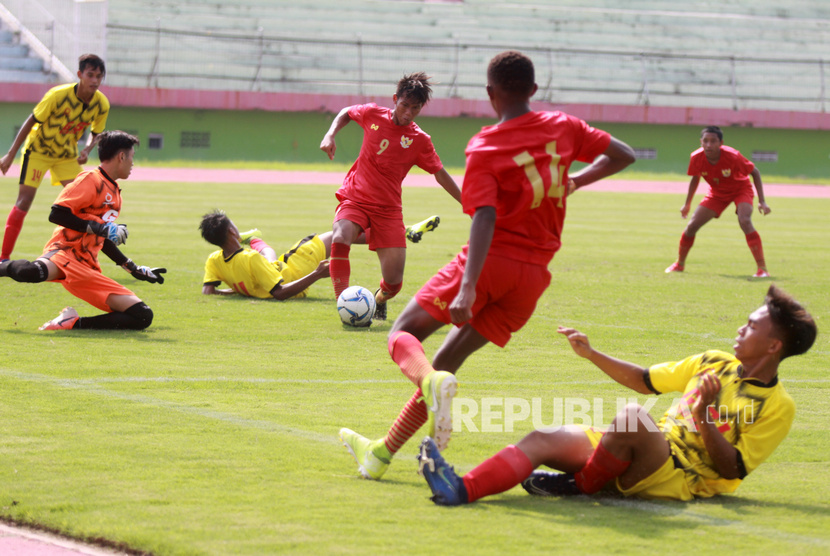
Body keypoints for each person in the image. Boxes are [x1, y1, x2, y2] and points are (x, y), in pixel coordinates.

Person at [339, 50, 636, 480]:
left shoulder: (486, 144)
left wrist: (468, 287)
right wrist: (573, 181)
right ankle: (381, 454)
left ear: (490, 93)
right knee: (444, 366)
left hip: (491, 262)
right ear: (534, 90)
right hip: (533, 279)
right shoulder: (565, 127)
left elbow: (484, 217)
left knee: (403, 334)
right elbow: (623, 154)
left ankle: (427, 384)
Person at [418, 284, 816, 505]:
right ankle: (461, 489)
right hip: (643, 446)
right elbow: (645, 380)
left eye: (751, 326)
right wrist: (591, 354)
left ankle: (583, 485)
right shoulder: (714, 361)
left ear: (773, 347)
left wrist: (706, 417)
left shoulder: (779, 407)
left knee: (631, 417)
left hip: (678, 477)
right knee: (542, 438)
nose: (740, 329)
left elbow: (732, 470)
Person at [320, 71, 461, 321]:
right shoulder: (372, 114)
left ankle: (378, 299)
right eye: (405, 105)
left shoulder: (420, 140)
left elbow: (440, 174)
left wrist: (467, 203)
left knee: (394, 283)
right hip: (356, 197)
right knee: (341, 236)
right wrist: (330, 134)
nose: (408, 113)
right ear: (395, 99)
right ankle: (343, 302)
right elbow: (346, 112)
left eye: (415, 108)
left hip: (388, 209)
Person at [0, 131, 164, 331]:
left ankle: (71, 323)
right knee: (31, 272)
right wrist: (101, 227)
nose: (132, 163)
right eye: (132, 157)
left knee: (143, 316)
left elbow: (103, 237)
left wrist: (133, 267)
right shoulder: (90, 179)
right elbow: (57, 214)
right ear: (121, 156)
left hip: (87, 266)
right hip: (65, 252)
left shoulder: (114, 192)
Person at [0, 54, 109, 262]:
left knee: (85, 204)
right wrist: (10, 154)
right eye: (90, 75)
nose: (95, 80)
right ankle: (3, 258)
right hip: (38, 151)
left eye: (99, 76)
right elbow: (31, 121)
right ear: (80, 75)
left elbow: (97, 132)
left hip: (67, 156)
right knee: (24, 201)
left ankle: (79, 255)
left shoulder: (101, 104)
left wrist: (87, 149)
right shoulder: (57, 95)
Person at [666, 126, 771, 278]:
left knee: (745, 220)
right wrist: (687, 204)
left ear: (720, 143)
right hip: (717, 193)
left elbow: (755, 172)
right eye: (706, 141)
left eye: (713, 141)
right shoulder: (696, 157)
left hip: (740, 189)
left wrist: (762, 201)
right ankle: (679, 264)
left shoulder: (733, 156)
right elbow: (695, 178)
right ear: (701, 142)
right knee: (692, 226)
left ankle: (762, 269)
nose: (709, 145)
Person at [199, 210, 335, 301]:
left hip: (275, 273)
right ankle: (252, 239)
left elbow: (208, 291)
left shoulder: (214, 260)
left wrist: (242, 290)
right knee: (335, 235)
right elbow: (279, 292)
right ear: (232, 231)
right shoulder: (250, 258)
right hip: (293, 274)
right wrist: (317, 274)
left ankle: (252, 239)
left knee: (269, 255)